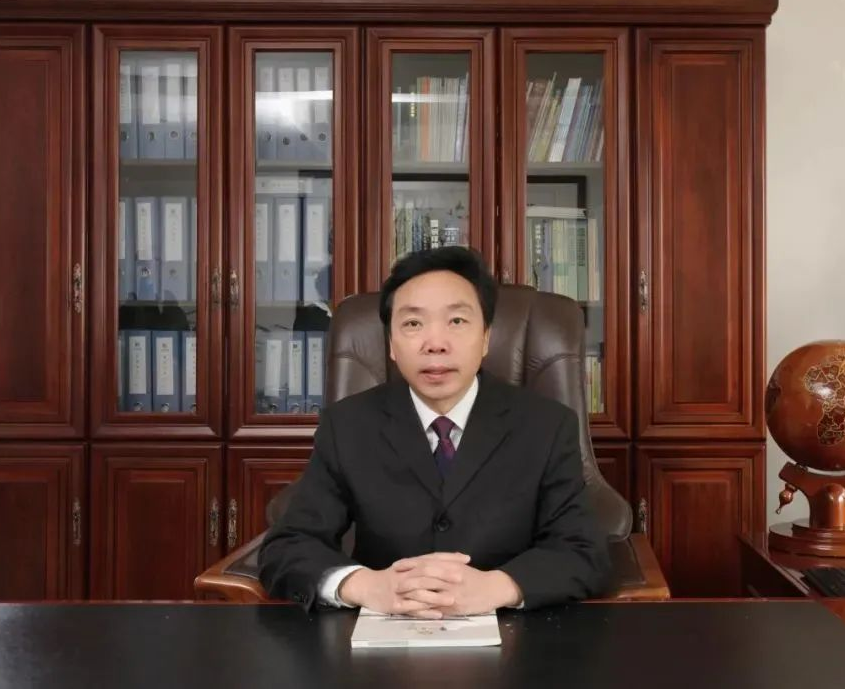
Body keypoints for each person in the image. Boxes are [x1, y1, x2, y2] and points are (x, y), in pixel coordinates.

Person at [258, 246, 610, 618]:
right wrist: (365, 585)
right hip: (381, 633)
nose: (435, 344)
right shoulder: (348, 426)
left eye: (456, 321)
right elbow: (287, 546)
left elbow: (583, 550)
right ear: (391, 344)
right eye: (413, 324)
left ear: (486, 337)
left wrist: (500, 586)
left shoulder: (546, 425)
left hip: (512, 631)